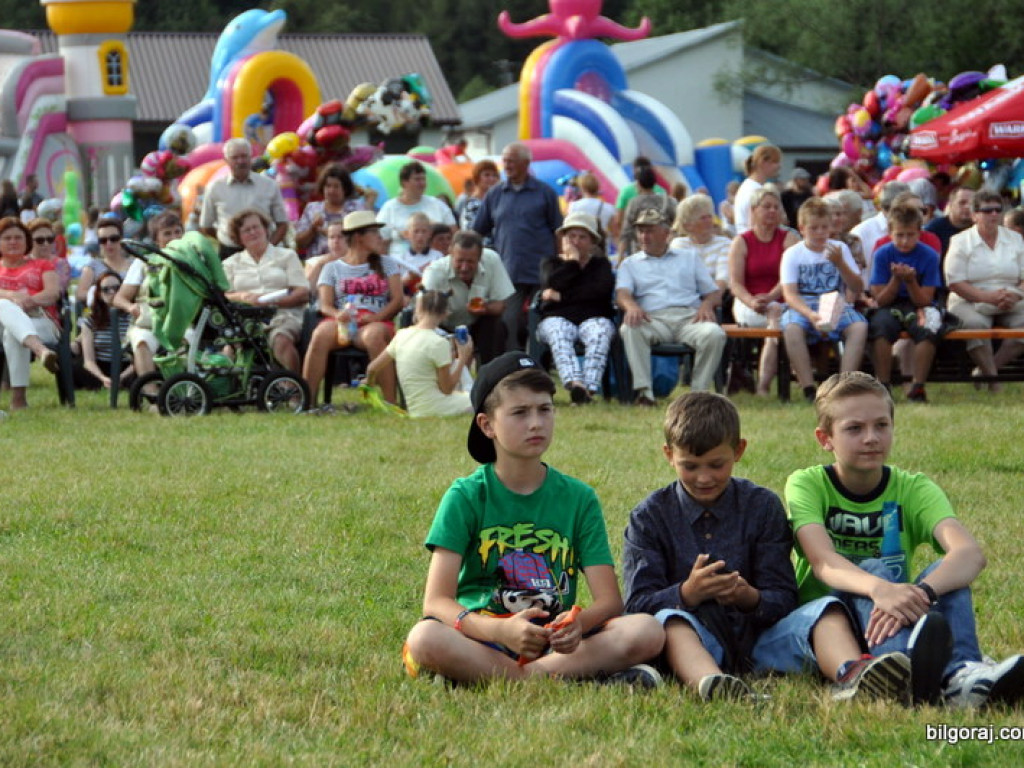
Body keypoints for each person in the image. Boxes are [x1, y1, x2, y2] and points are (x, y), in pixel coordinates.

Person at [623, 392, 922, 703]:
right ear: (669, 455)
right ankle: (713, 684)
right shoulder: (649, 517)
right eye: (690, 466)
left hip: (763, 640)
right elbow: (637, 605)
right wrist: (687, 593)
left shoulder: (761, 505)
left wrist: (748, 597)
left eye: (716, 464)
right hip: (694, 640)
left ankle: (852, 673)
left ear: (738, 450)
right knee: (671, 620)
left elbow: (783, 595)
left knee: (826, 610)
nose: (704, 477)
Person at [401, 352, 665, 686]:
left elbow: (610, 601)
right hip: (483, 636)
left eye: (545, 409)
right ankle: (563, 678)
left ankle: (505, 677)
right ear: (486, 425)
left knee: (647, 630)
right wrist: (499, 630)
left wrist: (577, 625)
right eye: (520, 412)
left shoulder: (579, 498)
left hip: (553, 643)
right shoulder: (466, 496)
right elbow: (436, 601)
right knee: (425, 638)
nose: (536, 423)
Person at [786, 372, 1024, 708]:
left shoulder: (913, 487)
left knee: (945, 572)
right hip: (831, 624)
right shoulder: (808, 484)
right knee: (874, 567)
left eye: (881, 425)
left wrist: (922, 592)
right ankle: (906, 671)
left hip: (891, 614)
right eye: (854, 429)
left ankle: (961, 675)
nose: (871, 438)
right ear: (825, 438)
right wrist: (879, 588)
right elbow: (823, 561)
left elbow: (969, 554)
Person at [616, 208, 726, 406]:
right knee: (629, 328)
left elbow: (713, 293)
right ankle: (645, 393)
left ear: (666, 233)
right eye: (641, 231)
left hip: (689, 318)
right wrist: (631, 306)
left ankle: (698, 395)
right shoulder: (630, 264)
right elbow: (622, 294)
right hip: (653, 319)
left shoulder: (689, 257)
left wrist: (707, 304)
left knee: (715, 334)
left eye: (650, 231)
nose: (644, 236)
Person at [302, 213, 403, 407]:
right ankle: (308, 402)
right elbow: (325, 305)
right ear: (358, 237)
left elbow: (397, 301)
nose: (379, 237)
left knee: (374, 336)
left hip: (376, 320)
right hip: (343, 321)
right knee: (320, 334)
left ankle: (391, 404)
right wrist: (338, 314)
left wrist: (376, 317)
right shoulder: (332, 268)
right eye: (374, 232)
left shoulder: (387, 264)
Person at [471, 142, 562, 351]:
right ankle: (514, 362)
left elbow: (558, 231)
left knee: (541, 321)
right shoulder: (495, 194)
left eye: (512, 161)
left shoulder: (544, 192)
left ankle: (538, 362)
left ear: (526, 163)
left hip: (541, 271)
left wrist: (558, 266)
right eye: (505, 161)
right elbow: (478, 231)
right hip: (509, 271)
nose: (507, 165)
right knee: (508, 321)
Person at [780, 198, 868, 402]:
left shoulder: (839, 249)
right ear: (802, 228)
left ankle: (844, 385)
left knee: (859, 326)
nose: (820, 233)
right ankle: (808, 387)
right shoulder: (793, 254)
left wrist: (841, 263)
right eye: (814, 228)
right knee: (792, 328)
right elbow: (790, 294)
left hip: (834, 301)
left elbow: (857, 287)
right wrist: (810, 314)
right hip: (804, 304)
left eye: (824, 228)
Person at [868, 202, 949, 402]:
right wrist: (896, 280)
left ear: (919, 233)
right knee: (880, 327)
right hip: (890, 304)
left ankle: (917, 386)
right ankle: (883, 384)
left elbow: (925, 300)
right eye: (900, 235)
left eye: (910, 235)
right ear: (890, 233)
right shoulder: (882, 254)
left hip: (917, 303)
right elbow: (880, 299)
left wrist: (911, 281)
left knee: (929, 327)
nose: (905, 241)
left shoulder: (929, 255)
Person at [944, 189, 1024, 387]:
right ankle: (994, 383)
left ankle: (985, 372)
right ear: (974, 215)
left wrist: (1015, 295)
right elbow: (955, 282)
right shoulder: (960, 241)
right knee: (975, 325)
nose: (994, 214)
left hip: (1010, 296)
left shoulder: (1015, 239)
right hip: (968, 298)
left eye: (998, 209)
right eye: (987, 210)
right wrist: (986, 297)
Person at [535, 212, 615, 404]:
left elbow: (600, 292)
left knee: (600, 331)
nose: (576, 242)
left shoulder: (601, 265)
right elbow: (552, 283)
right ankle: (576, 384)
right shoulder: (550, 263)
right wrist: (572, 262)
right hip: (557, 318)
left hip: (593, 317)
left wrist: (562, 296)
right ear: (563, 239)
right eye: (571, 236)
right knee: (558, 331)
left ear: (592, 242)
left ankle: (588, 389)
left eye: (582, 237)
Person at [728, 186, 800, 396]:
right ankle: (766, 385)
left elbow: (789, 278)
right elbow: (735, 284)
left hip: (781, 300)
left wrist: (771, 297)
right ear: (753, 210)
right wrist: (752, 301)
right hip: (748, 303)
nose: (772, 211)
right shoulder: (741, 242)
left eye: (776, 207)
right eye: (766, 207)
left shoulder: (789, 239)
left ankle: (764, 385)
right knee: (774, 317)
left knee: (775, 316)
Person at [222, 209, 309, 373]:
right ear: (239, 238)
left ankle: (293, 385)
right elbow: (224, 295)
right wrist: (243, 296)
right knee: (230, 346)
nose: (253, 232)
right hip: (247, 318)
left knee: (281, 340)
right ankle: (231, 385)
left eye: (256, 227)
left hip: (284, 314)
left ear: (266, 229)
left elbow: (302, 292)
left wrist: (272, 302)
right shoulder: (230, 264)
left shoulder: (287, 256)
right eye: (246, 230)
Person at [366, 289, 474, 418]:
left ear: (418, 309)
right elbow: (447, 389)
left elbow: (372, 368)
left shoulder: (401, 335)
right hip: (437, 408)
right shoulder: (439, 342)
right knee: (483, 399)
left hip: (415, 409)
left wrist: (369, 386)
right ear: (446, 313)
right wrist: (463, 358)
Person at [421, 230, 514, 364]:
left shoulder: (492, 260)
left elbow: (500, 305)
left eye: (470, 261)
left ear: (480, 257)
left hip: (477, 324)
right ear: (450, 254)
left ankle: (491, 370)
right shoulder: (434, 273)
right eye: (459, 261)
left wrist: (485, 308)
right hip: (443, 325)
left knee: (497, 326)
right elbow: (422, 314)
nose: (464, 267)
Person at [113, 211, 184, 381]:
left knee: (189, 340)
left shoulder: (192, 262)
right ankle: (150, 391)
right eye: (167, 233)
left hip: (181, 323)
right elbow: (119, 298)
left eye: (177, 232)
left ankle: (183, 389)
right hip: (148, 323)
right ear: (156, 239)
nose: (174, 237)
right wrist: (131, 307)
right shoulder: (143, 262)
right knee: (142, 341)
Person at [0, 217, 60, 409]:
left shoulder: (42, 265)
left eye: (18, 237)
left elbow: (52, 293)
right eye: (7, 238)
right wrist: (11, 296)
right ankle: (41, 351)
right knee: (5, 305)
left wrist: (29, 301)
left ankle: (18, 400)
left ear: (27, 241)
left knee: (13, 333)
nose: (13, 242)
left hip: (39, 319)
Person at [200, 138, 289, 259]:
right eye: (235, 157)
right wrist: (226, 238)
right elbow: (206, 226)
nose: (240, 161)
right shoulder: (215, 188)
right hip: (229, 253)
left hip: (264, 253)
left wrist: (268, 248)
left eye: (244, 156)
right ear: (226, 160)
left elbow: (282, 224)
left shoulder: (269, 185)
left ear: (251, 157)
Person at [377, 161, 456, 259]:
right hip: (399, 262)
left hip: (435, 261)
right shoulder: (390, 208)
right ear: (404, 182)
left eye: (423, 179)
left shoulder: (437, 205)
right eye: (417, 179)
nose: (422, 183)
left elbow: (454, 234)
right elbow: (381, 242)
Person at [294, 164, 366, 258]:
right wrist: (313, 229)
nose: (331, 190)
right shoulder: (312, 208)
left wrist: (335, 232)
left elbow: (365, 237)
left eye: (336, 186)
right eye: (328, 186)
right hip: (319, 262)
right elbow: (299, 243)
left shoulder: (356, 208)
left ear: (345, 188)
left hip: (350, 260)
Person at [76, 272, 133, 391]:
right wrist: (103, 378)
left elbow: (139, 359)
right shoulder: (90, 319)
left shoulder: (132, 317)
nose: (112, 292)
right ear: (99, 294)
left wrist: (121, 377)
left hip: (128, 367)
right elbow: (89, 361)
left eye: (116, 288)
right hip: (100, 367)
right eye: (106, 289)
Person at [670, 194, 731, 292]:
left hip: (718, 296)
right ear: (688, 225)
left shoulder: (725, 243)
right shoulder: (679, 244)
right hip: (686, 295)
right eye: (703, 218)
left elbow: (723, 279)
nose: (709, 221)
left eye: (710, 216)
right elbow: (678, 278)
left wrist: (710, 300)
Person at [618, 165, 677, 258]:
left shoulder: (635, 203)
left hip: (641, 251)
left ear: (638, 184)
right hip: (666, 249)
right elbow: (676, 225)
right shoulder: (668, 200)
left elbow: (626, 232)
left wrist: (620, 256)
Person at [75, 217, 136, 306]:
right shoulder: (93, 266)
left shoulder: (135, 264)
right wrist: (102, 294)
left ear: (121, 239)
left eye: (113, 239)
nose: (108, 243)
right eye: (103, 240)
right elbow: (80, 293)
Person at [734, 144, 782, 234]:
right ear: (763, 162)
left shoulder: (749, 186)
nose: (779, 166)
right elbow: (754, 225)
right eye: (775, 162)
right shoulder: (754, 190)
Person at [393, 211, 442, 295]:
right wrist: (410, 277)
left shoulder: (438, 257)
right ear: (407, 234)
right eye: (416, 231)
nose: (420, 235)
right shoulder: (400, 259)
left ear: (430, 234)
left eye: (424, 231)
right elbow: (394, 287)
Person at [925, 186, 975, 263]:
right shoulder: (934, 228)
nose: (967, 207)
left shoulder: (980, 229)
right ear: (950, 205)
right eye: (962, 203)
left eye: (972, 204)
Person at [456, 159, 500, 233]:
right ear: (477, 178)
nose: (492, 179)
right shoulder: (471, 204)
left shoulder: (501, 201)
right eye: (487, 175)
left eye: (494, 175)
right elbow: (469, 230)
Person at [28, 217, 70, 293]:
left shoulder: (61, 264)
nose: (46, 244)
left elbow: (58, 291)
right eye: (40, 240)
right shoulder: (23, 261)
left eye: (50, 239)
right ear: (29, 241)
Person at [567, 172, 614, 238]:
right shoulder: (609, 208)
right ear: (597, 188)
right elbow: (614, 231)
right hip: (601, 242)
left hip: (580, 242)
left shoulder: (573, 206)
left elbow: (569, 228)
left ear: (582, 188)